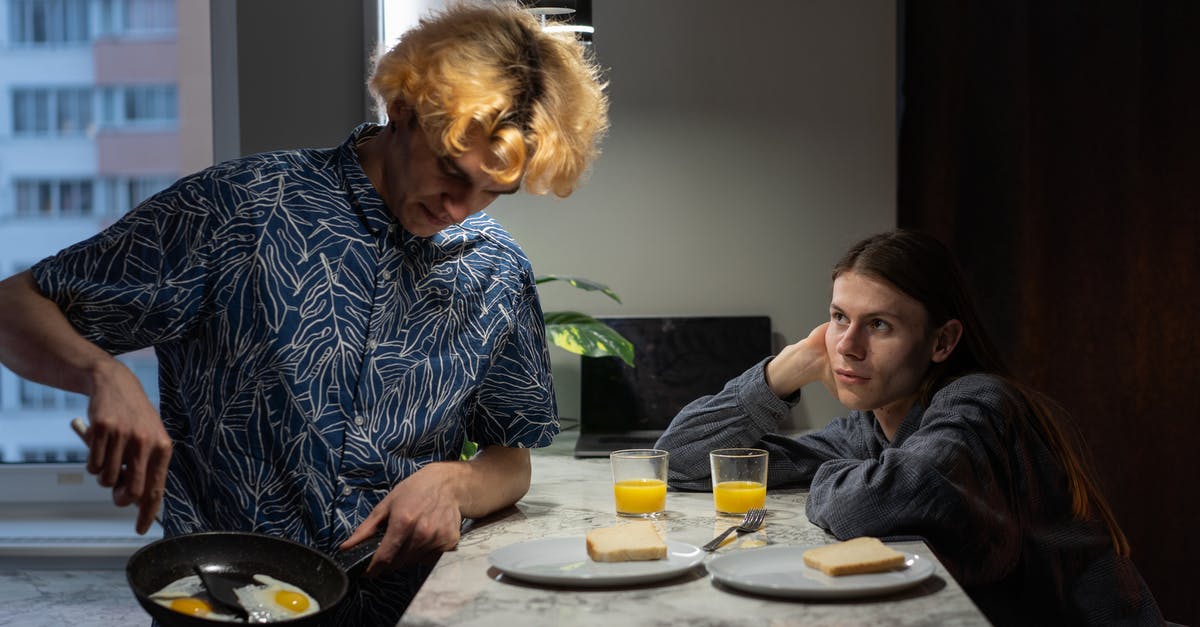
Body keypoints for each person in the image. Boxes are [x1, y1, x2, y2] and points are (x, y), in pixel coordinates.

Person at [0, 2, 607, 623]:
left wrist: (456, 482)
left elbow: (514, 458)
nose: (460, 208)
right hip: (228, 598)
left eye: (492, 192)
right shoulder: (243, 208)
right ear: (402, 109)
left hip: (417, 602)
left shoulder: (497, 268)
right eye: (451, 172)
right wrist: (104, 375)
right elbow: (15, 305)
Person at [654, 229, 1163, 626]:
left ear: (942, 342)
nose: (848, 346)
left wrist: (831, 474)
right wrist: (781, 373)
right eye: (838, 318)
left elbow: (878, 500)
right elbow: (678, 461)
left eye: (879, 325)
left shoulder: (980, 404)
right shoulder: (869, 429)